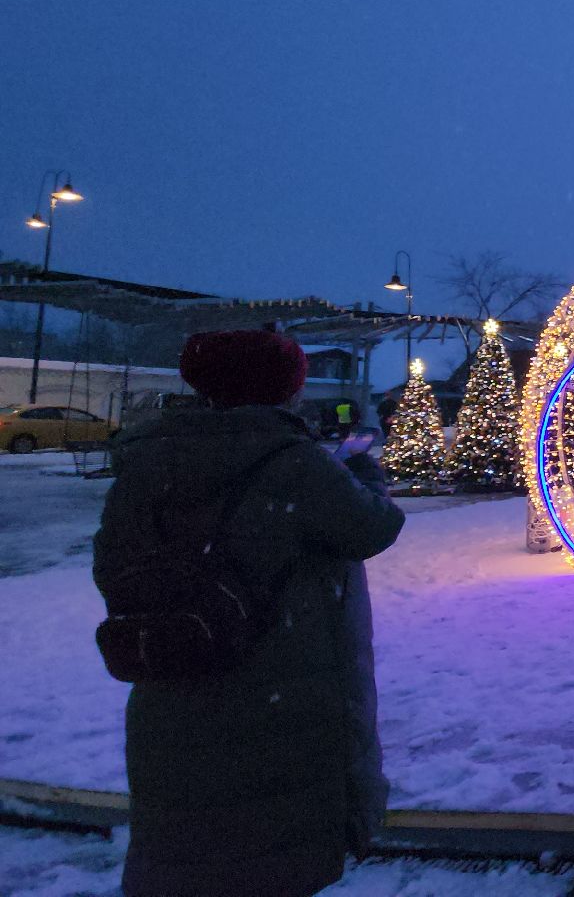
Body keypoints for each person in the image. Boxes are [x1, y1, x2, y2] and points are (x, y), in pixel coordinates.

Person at [92, 329, 406, 897]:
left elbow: (113, 565)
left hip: (174, 675)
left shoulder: (147, 460)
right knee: (268, 847)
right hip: (277, 682)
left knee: (188, 840)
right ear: (282, 389)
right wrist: (362, 470)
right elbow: (371, 528)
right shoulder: (292, 461)